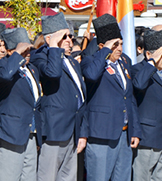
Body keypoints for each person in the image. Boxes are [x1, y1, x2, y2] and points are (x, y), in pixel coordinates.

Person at [81, 14, 140, 181]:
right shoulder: (90, 61)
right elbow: (91, 76)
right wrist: (106, 51)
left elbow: (129, 98)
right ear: (102, 46)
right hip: (102, 134)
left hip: (124, 134)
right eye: (115, 45)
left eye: (121, 44)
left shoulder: (124, 62)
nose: (120, 48)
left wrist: (134, 130)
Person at [31, 13, 86, 181]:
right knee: (48, 176)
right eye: (64, 36)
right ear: (50, 39)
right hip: (54, 130)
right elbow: (52, 74)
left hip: (72, 130)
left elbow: (82, 97)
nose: (70, 40)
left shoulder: (72, 61)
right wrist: (53, 45)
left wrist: (82, 132)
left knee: (68, 177)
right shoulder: (41, 57)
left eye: (71, 36)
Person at [0, 28, 42, 181]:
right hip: (11, 133)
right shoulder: (2, 65)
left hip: (31, 133)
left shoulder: (31, 69)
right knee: (9, 176)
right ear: (10, 51)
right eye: (24, 50)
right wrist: (16, 54)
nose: (28, 53)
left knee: (29, 177)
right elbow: (5, 76)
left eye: (29, 50)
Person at [131, 30, 162, 180]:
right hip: (147, 137)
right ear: (150, 55)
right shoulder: (138, 70)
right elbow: (139, 84)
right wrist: (152, 64)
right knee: (142, 176)